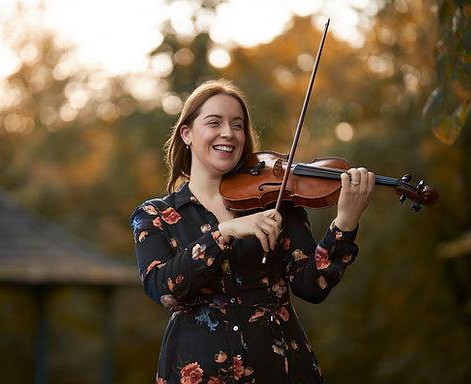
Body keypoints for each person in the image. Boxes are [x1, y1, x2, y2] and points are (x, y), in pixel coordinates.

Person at [131, 79, 374, 384]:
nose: (228, 133)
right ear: (187, 133)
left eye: (237, 125)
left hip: (280, 367)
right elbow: (163, 286)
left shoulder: (276, 201)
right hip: (201, 372)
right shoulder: (155, 216)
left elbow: (312, 287)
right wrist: (224, 232)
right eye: (214, 122)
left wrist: (345, 223)